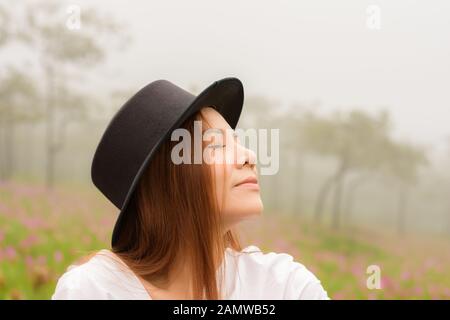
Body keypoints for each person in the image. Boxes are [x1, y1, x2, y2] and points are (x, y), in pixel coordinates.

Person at [51, 78, 329, 300]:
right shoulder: (93, 290)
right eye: (218, 146)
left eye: (238, 142)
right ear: (166, 181)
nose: (250, 157)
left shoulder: (285, 287)